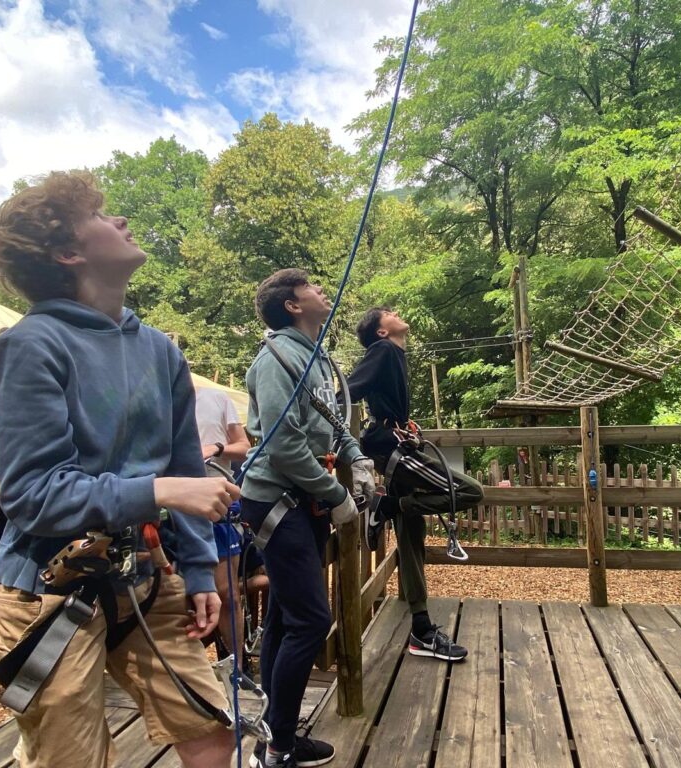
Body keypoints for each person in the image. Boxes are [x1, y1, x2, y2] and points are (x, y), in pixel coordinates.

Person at [0, 171, 239, 768]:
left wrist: (199, 571)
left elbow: (185, 467)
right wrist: (165, 490)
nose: (119, 220)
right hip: (44, 592)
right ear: (68, 253)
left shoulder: (159, 348)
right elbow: (33, 496)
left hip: (148, 576)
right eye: (100, 216)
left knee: (213, 734)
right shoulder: (29, 346)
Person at [239, 268, 374, 768]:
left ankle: (273, 735)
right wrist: (335, 492)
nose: (322, 291)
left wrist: (355, 456)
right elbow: (282, 443)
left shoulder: (316, 359)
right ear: (292, 305)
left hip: (303, 497)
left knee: (284, 617)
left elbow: (334, 422)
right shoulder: (276, 359)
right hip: (281, 499)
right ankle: (279, 749)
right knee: (312, 620)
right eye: (312, 287)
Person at [346, 307, 484, 662]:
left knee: (411, 534)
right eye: (387, 313)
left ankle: (421, 630)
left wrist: (401, 422)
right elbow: (349, 391)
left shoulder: (392, 354)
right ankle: (387, 506)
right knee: (469, 491)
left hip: (393, 442)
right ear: (381, 332)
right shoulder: (384, 351)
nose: (395, 312)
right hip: (391, 448)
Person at [194, 385, 252, 664]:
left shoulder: (216, 398)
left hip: (220, 503)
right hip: (173, 506)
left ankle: (238, 668)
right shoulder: (155, 400)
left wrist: (216, 448)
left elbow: (243, 447)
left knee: (227, 592)